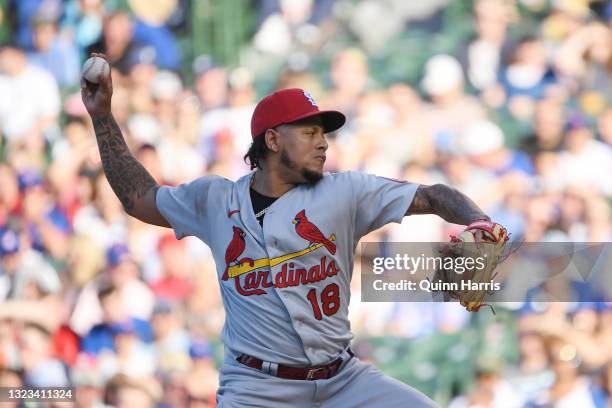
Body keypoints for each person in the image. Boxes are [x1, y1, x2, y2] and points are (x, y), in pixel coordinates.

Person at [81, 53, 504, 407]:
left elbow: (433, 195)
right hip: (257, 389)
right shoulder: (215, 200)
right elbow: (138, 198)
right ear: (273, 140)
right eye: (309, 132)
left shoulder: (345, 191)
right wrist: (102, 118)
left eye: (324, 133)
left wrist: (479, 222)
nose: (323, 142)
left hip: (344, 380)